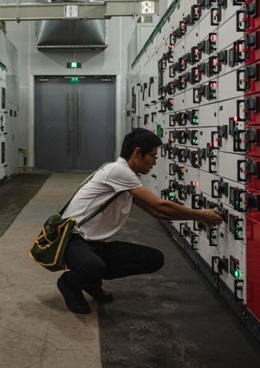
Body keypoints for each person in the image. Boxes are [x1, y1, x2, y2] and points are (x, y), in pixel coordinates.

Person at [57, 128, 223, 314]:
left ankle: (90, 279)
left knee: (153, 259)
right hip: (74, 241)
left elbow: (155, 211)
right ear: (137, 153)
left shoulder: (125, 175)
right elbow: (159, 206)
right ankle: (70, 283)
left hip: (95, 243)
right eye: (153, 156)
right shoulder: (119, 171)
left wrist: (196, 216)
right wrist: (200, 215)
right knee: (94, 266)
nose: (154, 162)